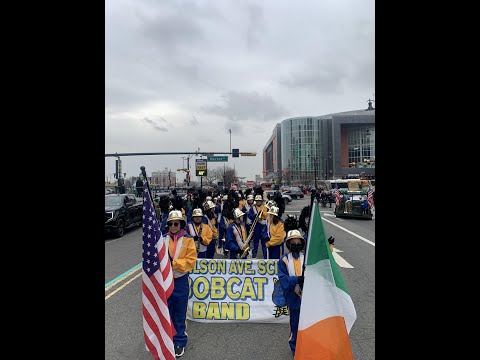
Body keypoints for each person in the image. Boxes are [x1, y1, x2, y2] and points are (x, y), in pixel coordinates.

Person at [164, 210, 197, 357]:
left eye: (176, 223)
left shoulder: (188, 240)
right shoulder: (163, 239)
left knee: (179, 313)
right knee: (167, 312)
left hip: (180, 281)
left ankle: (180, 341)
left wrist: (174, 264)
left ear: (181, 224)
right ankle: (168, 338)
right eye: (170, 224)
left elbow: (191, 261)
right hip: (165, 281)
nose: (173, 226)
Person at [278, 230, 305, 357]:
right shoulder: (284, 260)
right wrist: (297, 280)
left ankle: (307, 346)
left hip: (308, 297)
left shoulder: (307, 257)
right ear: (288, 244)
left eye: (298, 242)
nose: (295, 245)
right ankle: (295, 350)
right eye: (293, 243)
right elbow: (283, 280)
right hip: (293, 297)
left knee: (308, 323)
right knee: (295, 324)